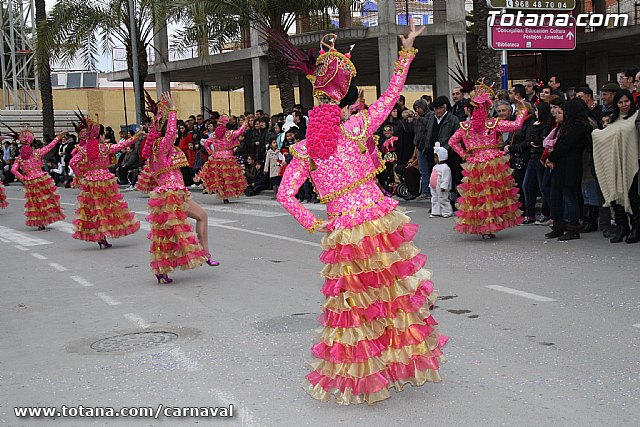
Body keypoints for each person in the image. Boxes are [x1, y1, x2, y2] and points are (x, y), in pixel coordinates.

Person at [274, 23, 447, 405]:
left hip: (346, 232)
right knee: (392, 297)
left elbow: (285, 195)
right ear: (342, 103)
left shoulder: (305, 149)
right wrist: (406, 53)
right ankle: (397, 365)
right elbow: (389, 97)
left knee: (355, 308)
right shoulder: (354, 129)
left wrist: (314, 222)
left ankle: (363, 376)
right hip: (380, 223)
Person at [140, 92, 219, 284]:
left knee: (168, 232)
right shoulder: (162, 147)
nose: (175, 134)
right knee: (181, 227)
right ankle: (204, 254)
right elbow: (171, 133)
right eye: (173, 131)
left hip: (170, 193)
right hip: (172, 193)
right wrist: (173, 110)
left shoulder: (153, 151)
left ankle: (163, 269)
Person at [448, 79, 527, 239]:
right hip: (492, 162)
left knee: (478, 196)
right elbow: (517, 125)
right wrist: (522, 108)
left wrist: (465, 154)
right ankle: (489, 225)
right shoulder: (493, 123)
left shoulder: (465, 126)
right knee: (490, 195)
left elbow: (452, 142)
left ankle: (484, 226)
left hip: (475, 163)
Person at [69, 117, 142, 249]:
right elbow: (122, 145)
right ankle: (103, 236)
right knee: (108, 209)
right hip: (105, 180)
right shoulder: (104, 148)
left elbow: (72, 163)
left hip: (90, 181)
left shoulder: (84, 149)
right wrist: (137, 136)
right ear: (100, 135)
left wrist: (81, 176)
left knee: (94, 210)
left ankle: (100, 236)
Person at [592, 89, 640, 243]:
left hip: (632, 162)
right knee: (615, 195)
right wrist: (596, 134)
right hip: (614, 164)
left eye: (626, 101)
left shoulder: (637, 116)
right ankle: (622, 227)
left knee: (632, 196)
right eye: (620, 102)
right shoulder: (613, 119)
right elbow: (604, 135)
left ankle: (636, 228)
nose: (624, 104)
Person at [10, 128, 66, 230]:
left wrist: (23, 178)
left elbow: (13, 170)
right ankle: (47, 217)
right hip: (42, 178)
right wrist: (58, 137)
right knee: (47, 199)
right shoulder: (37, 153)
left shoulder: (20, 158)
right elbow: (50, 146)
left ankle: (40, 222)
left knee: (35, 202)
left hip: (30, 181)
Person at [197, 116, 247, 204]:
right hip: (228, 157)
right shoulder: (229, 134)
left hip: (216, 158)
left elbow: (206, 144)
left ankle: (222, 193)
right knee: (228, 177)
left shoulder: (214, 135)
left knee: (219, 178)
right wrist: (244, 124)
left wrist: (211, 152)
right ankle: (226, 195)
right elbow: (239, 132)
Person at [429, 142, 452, 218]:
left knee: (443, 199)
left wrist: (444, 186)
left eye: (436, 157)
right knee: (434, 198)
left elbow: (446, 178)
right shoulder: (435, 167)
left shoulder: (445, 168)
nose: (435, 159)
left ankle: (447, 211)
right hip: (434, 186)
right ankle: (436, 211)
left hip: (441, 186)